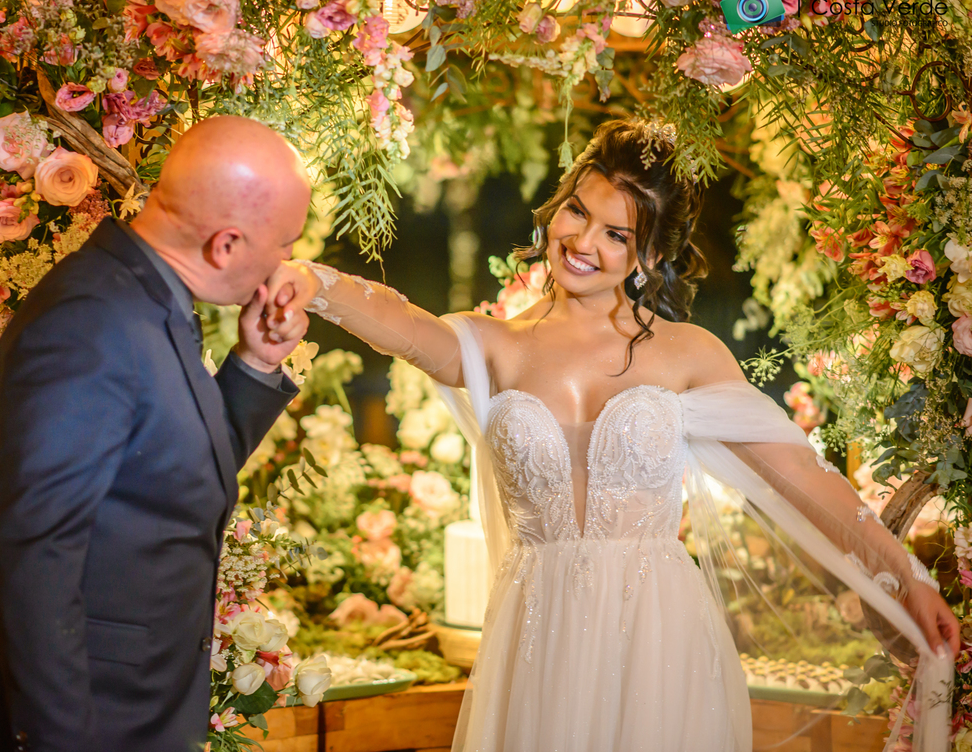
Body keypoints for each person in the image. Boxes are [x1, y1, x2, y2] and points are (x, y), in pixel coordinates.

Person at [263, 119, 959, 752]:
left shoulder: (689, 355)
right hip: (536, 639)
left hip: (657, 641)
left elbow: (803, 477)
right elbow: (401, 322)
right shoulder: (492, 345)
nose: (582, 242)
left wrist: (908, 577)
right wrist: (308, 281)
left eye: (616, 234)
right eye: (577, 211)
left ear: (648, 253)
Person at [0, 116, 312, 752]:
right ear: (226, 245)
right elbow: (35, 555)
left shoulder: (146, 300)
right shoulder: (90, 319)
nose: (284, 263)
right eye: (285, 243)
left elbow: (166, 483)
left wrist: (255, 365)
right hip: (81, 722)